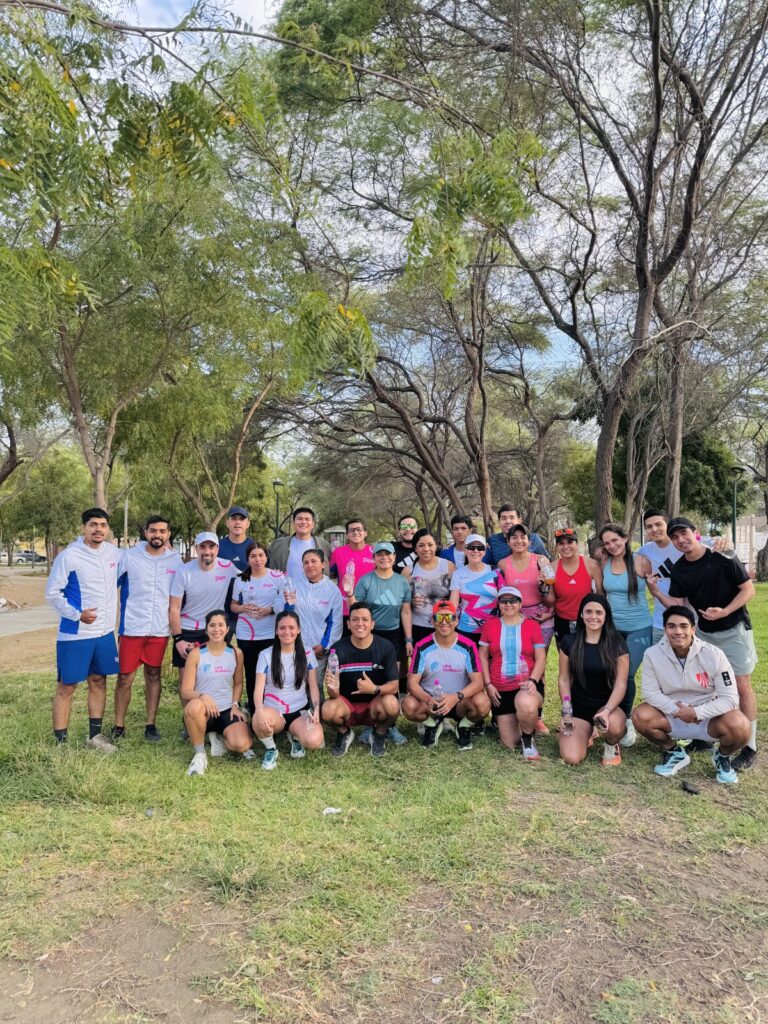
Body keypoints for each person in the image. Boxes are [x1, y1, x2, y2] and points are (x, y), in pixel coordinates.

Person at [647, 516, 758, 771]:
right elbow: (678, 604)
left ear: (695, 533)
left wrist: (726, 611)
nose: (680, 540)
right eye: (674, 537)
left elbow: (748, 589)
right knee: (707, 687)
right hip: (704, 634)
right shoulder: (680, 569)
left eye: (684, 533)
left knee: (741, 686)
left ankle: (749, 745)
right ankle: (704, 737)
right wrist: (655, 592)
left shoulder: (722, 556)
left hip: (734, 630)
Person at [632, 607, 750, 785]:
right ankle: (674, 752)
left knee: (741, 725)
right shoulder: (652, 654)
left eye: (683, 626)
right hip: (673, 715)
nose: (678, 631)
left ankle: (722, 757)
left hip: (709, 718)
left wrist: (697, 713)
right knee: (640, 715)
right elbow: (650, 693)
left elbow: (730, 698)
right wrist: (677, 710)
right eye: (671, 626)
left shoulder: (714, 654)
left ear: (693, 629)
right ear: (665, 629)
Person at [45, 507, 121, 751]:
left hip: (105, 633)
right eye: (93, 525)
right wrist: (77, 615)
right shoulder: (69, 556)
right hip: (75, 634)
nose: (98, 529)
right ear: (83, 528)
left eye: (102, 525)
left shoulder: (114, 554)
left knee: (99, 681)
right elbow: (52, 593)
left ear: (108, 529)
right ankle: (61, 743)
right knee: (67, 686)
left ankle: (95, 737)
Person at [113, 515, 183, 742]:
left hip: (160, 629)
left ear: (168, 534)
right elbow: (110, 582)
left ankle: (150, 724)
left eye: (162, 531)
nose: (157, 535)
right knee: (125, 677)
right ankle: (118, 725)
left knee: (153, 674)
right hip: (132, 627)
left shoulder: (175, 560)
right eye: (153, 531)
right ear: (146, 533)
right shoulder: (129, 557)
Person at [404, 599, 490, 749]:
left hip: (459, 702)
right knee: (408, 705)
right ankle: (431, 725)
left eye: (449, 617)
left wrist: (456, 697)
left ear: (456, 621)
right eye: (439, 617)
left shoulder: (468, 646)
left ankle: (463, 727)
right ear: (432, 621)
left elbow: (478, 682)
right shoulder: (422, 646)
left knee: (483, 703)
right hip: (432, 703)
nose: (444, 622)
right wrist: (427, 698)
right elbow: (412, 682)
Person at [597, 522, 654, 748]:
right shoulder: (604, 562)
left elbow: (657, 590)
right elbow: (600, 592)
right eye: (607, 543)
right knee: (611, 673)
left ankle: (627, 720)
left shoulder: (641, 561)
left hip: (640, 627)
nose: (612, 545)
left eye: (615, 540)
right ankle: (612, 716)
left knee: (627, 674)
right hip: (612, 628)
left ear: (626, 538)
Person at [557, 595, 629, 767]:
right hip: (579, 708)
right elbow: (564, 679)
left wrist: (607, 710)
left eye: (599, 612)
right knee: (571, 758)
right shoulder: (569, 642)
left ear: (606, 617)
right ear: (581, 615)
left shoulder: (617, 643)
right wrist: (567, 711)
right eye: (588, 611)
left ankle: (611, 746)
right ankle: (585, 733)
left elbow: (621, 683)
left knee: (615, 727)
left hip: (607, 707)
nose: (593, 616)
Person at [321, 602, 401, 758]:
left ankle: (379, 733)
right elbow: (334, 695)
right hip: (348, 705)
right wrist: (332, 685)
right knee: (327, 709)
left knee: (392, 704)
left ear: (372, 624)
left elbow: (394, 686)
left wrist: (375, 689)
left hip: (375, 705)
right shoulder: (337, 650)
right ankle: (344, 733)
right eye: (355, 619)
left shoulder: (386, 647)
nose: (360, 624)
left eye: (365, 619)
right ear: (348, 624)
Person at [478, 586, 547, 761]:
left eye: (513, 600)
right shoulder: (490, 625)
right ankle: (519, 722)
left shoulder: (532, 626)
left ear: (521, 603)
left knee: (525, 703)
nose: (508, 604)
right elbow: (483, 657)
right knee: (509, 742)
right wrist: (488, 684)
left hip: (526, 684)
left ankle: (528, 740)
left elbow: (541, 657)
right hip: (500, 690)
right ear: (499, 604)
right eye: (504, 601)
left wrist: (533, 680)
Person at [181, 609, 251, 776]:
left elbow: (238, 683)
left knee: (242, 745)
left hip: (226, 709)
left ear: (227, 629)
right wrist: (202, 696)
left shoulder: (236, 653)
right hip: (204, 710)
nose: (216, 629)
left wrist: (235, 705)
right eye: (212, 625)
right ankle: (200, 754)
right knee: (193, 708)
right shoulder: (197, 654)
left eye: (221, 625)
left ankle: (217, 736)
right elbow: (185, 691)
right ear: (206, 630)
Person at [252, 610, 323, 769]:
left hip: (299, 711)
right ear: (276, 631)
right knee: (258, 720)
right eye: (282, 628)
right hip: (275, 712)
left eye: (291, 627)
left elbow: (313, 686)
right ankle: (271, 748)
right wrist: (260, 710)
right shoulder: (265, 655)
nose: (287, 632)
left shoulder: (307, 652)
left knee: (314, 740)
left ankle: (296, 737)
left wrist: (316, 708)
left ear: (298, 630)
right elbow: (258, 689)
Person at [169, 532, 240, 683]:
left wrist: (277, 576)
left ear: (217, 549)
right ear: (196, 549)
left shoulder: (228, 567)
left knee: (215, 676)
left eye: (211, 547)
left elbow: (251, 578)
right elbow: (174, 607)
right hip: (188, 629)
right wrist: (178, 639)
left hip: (215, 629)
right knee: (186, 679)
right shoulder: (184, 571)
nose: (207, 551)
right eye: (202, 547)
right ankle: (190, 708)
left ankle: (216, 707)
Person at [230, 541, 286, 713]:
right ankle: (255, 711)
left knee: (271, 672)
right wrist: (243, 608)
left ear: (267, 557)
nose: (257, 559)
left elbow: (285, 603)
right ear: (247, 559)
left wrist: (269, 610)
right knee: (252, 673)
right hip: (247, 634)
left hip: (270, 633)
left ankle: (273, 710)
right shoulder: (240, 579)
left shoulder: (278, 577)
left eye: (261, 555)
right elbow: (233, 606)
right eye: (253, 556)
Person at [351, 541, 413, 666]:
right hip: (370, 634)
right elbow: (355, 609)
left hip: (394, 635)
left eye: (388, 554)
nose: (384, 557)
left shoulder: (402, 582)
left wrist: (408, 640)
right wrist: (349, 593)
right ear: (373, 558)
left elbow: (406, 612)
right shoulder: (365, 580)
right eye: (379, 554)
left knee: (393, 677)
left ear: (394, 557)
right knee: (372, 675)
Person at [289, 548, 343, 684]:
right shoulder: (293, 584)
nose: (310, 565)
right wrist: (288, 603)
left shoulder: (332, 590)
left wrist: (324, 645)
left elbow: (335, 622)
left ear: (323, 564)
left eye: (314, 561)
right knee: (295, 684)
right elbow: (283, 613)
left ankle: (317, 706)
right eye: (306, 562)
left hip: (317, 648)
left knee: (315, 685)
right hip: (294, 645)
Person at [544, 528, 604, 642]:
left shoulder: (591, 565)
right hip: (562, 620)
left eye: (570, 542)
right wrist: (543, 588)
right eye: (561, 543)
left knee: (587, 656)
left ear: (577, 544)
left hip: (587, 620)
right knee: (565, 656)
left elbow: (601, 594)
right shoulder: (551, 568)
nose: (566, 546)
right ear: (557, 547)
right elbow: (550, 601)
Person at [402, 528, 455, 643]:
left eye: (430, 545)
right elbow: (403, 604)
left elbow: (456, 598)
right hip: (418, 627)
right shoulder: (408, 571)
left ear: (436, 546)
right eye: (421, 545)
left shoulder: (449, 566)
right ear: (415, 548)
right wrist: (411, 602)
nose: (426, 549)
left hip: (445, 625)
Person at [448, 534, 503, 643]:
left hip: (492, 629)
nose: (476, 551)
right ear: (465, 549)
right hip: (465, 630)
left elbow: (504, 600)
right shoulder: (457, 574)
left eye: (480, 547)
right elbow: (453, 604)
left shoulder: (496, 572)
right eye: (471, 547)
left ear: (485, 551)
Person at [328, 518, 375, 626]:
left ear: (365, 533)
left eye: (359, 529)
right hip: (344, 608)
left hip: (369, 607)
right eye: (351, 530)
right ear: (347, 534)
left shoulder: (374, 552)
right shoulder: (338, 553)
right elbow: (329, 576)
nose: (355, 532)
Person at [268, 507, 331, 579]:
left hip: (316, 589)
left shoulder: (324, 545)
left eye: (307, 519)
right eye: (299, 519)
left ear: (313, 524)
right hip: (287, 589)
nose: (303, 522)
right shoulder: (278, 545)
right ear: (293, 523)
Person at [217, 506, 253, 572]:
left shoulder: (255, 547)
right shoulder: (217, 547)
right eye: (234, 518)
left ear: (248, 524)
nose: (237, 522)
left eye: (242, 519)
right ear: (227, 523)